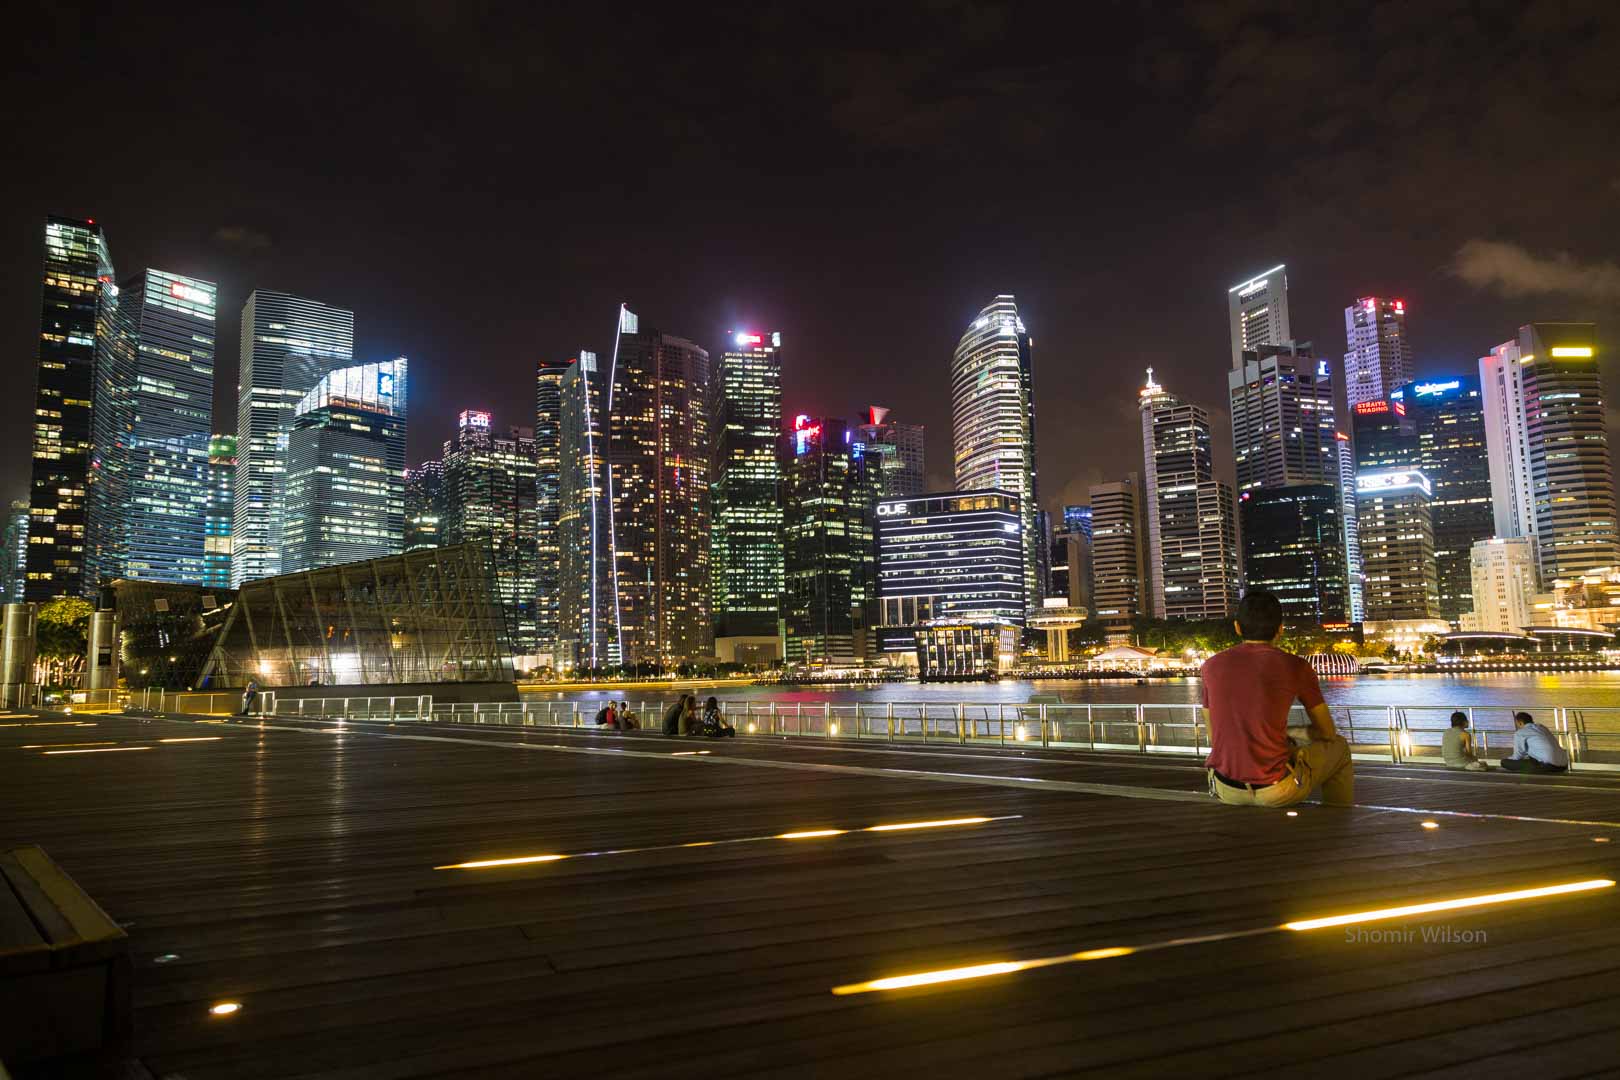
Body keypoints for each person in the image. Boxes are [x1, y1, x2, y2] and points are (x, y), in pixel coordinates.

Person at [1201, 589, 1354, 808]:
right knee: (1339, 748)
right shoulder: (1296, 666)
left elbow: (1213, 735)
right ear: (1280, 629)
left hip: (1224, 787)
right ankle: (1338, 816)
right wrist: (1296, 732)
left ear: (1237, 627)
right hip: (1275, 790)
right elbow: (1327, 732)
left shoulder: (1211, 666)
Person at [1500, 711, 1569, 774]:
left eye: (1517, 724)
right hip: (1564, 765)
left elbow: (1517, 756)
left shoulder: (1520, 733)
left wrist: (1508, 758)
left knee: (1504, 762)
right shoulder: (1542, 727)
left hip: (1549, 767)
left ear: (1520, 722)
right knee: (1531, 758)